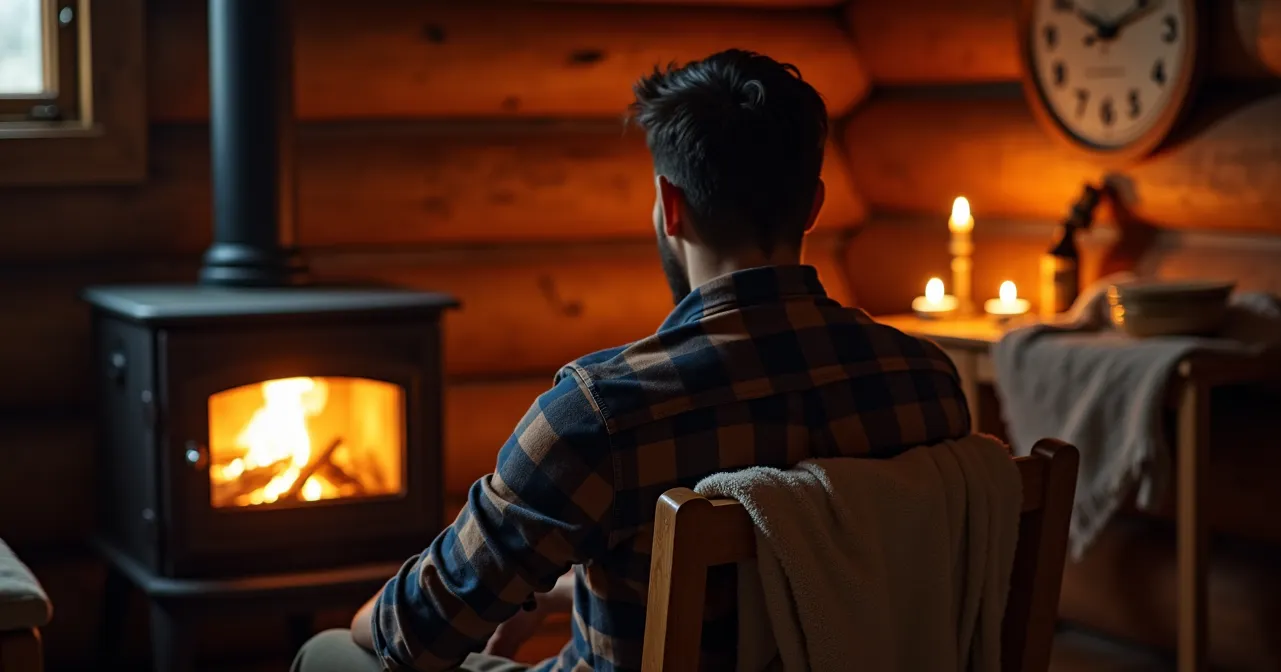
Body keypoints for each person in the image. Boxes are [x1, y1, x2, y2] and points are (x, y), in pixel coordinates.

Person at [293, 48, 971, 672]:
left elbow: (415, 630)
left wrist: (368, 620)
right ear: (815, 205)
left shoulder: (598, 416)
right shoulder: (927, 384)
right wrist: (573, 592)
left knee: (329, 655)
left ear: (671, 207)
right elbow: (815, 565)